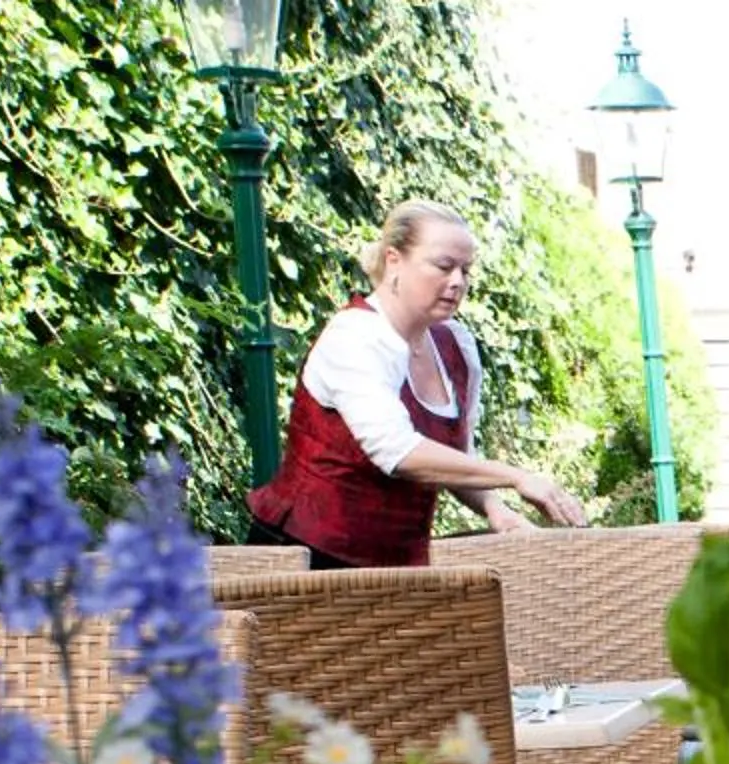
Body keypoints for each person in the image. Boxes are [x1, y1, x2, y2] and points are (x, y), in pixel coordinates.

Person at [246, 201, 586, 568]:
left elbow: (456, 460)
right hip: (308, 560)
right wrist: (516, 477)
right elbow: (399, 452)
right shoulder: (355, 337)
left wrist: (494, 508)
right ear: (394, 260)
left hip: (398, 569)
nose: (457, 282)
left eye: (465, 270)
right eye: (443, 266)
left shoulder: (455, 347)